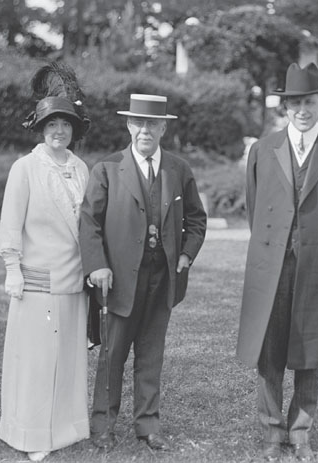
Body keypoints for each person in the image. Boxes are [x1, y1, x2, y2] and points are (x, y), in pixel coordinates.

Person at [237, 63, 318, 461]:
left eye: (309, 101)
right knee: (269, 350)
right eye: (294, 103)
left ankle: (301, 432)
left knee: (311, 351)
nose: (302, 109)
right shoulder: (263, 149)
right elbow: (255, 208)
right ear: (284, 107)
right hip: (271, 265)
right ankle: (273, 433)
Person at [79, 93, 207, 452]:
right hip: (119, 279)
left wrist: (186, 255)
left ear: (163, 127)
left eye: (153, 123)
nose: (145, 130)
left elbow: (197, 219)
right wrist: (97, 265)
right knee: (113, 355)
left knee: (151, 354)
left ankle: (148, 424)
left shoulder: (178, 169)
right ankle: (103, 424)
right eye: (139, 123)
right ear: (128, 125)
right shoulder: (107, 168)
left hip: (163, 277)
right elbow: (89, 222)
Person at [0, 63, 92, 462]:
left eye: (65, 125)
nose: (59, 131)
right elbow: (10, 225)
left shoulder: (81, 168)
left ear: (73, 129)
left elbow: (87, 227)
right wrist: (12, 269)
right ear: (40, 128)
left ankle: (66, 429)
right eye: (51, 124)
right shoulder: (25, 168)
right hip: (36, 281)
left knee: (69, 359)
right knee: (36, 362)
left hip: (74, 281)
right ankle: (32, 435)